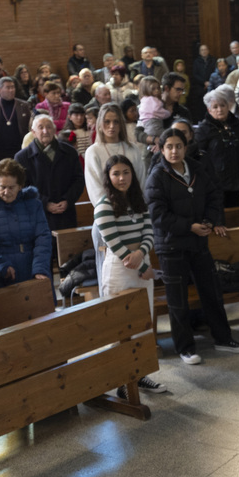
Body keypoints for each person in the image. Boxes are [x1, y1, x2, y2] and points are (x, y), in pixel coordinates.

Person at [145, 128, 239, 365]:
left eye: (178, 146)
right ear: (162, 150)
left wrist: (208, 222)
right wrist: (189, 226)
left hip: (198, 242)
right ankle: (185, 347)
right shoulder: (157, 176)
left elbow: (214, 196)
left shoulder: (196, 168)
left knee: (211, 292)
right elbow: (158, 215)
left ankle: (223, 338)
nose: (174, 151)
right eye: (169, 147)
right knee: (178, 299)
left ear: (185, 147)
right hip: (171, 246)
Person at [93, 154, 165, 394]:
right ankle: (122, 380)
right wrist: (143, 266)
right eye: (116, 173)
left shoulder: (137, 200)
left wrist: (142, 254)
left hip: (139, 262)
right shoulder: (104, 206)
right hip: (119, 268)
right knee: (122, 327)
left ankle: (140, 375)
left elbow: (149, 231)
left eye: (126, 172)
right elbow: (114, 244)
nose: (121, 178)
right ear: (108, 177)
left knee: (143, 324)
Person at [0, 158, 53, 291]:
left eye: (11, 187)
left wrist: (40, 267)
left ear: (20, 186)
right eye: (2, 187)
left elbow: (43, 236)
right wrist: (1, 265)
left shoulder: (34, 205)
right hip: (1, 273)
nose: (6, 192)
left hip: (33, 266)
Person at [16, 114, 85, 234]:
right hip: (38, 214)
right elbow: (22, 188)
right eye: (40, 127)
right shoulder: (22, 157)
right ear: (33, 132)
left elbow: (78, 180)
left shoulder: (69, 152)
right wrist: (45, 203)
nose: (45, 131)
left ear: (54, 130)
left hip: (66, 214)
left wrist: (67, 200)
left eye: (49, 127)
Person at [194, 89, 239, 209]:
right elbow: (198, 159)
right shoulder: (203, 129)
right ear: (209, 110)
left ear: (228, 106)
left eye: (222, 105)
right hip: (216, 185)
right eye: (215, 107)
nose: (219, 109)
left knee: (237, 216)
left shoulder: (237, 125)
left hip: (237, 182)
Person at [0, 76, 33, 167]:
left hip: (20, 147)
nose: (11, 90)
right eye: (8, 87)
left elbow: (29, 126)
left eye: (13, 87)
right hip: (0, 149)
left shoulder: (24, 105)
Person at [136, 76, 172, 146]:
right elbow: (157, 111)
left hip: (146, 128)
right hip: (155, 126)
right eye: (153, 89)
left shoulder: (143, 100)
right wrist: (168, 112)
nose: (157, 91)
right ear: (146, 89)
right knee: (167, 137)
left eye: (158, 88)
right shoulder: (153, 100)